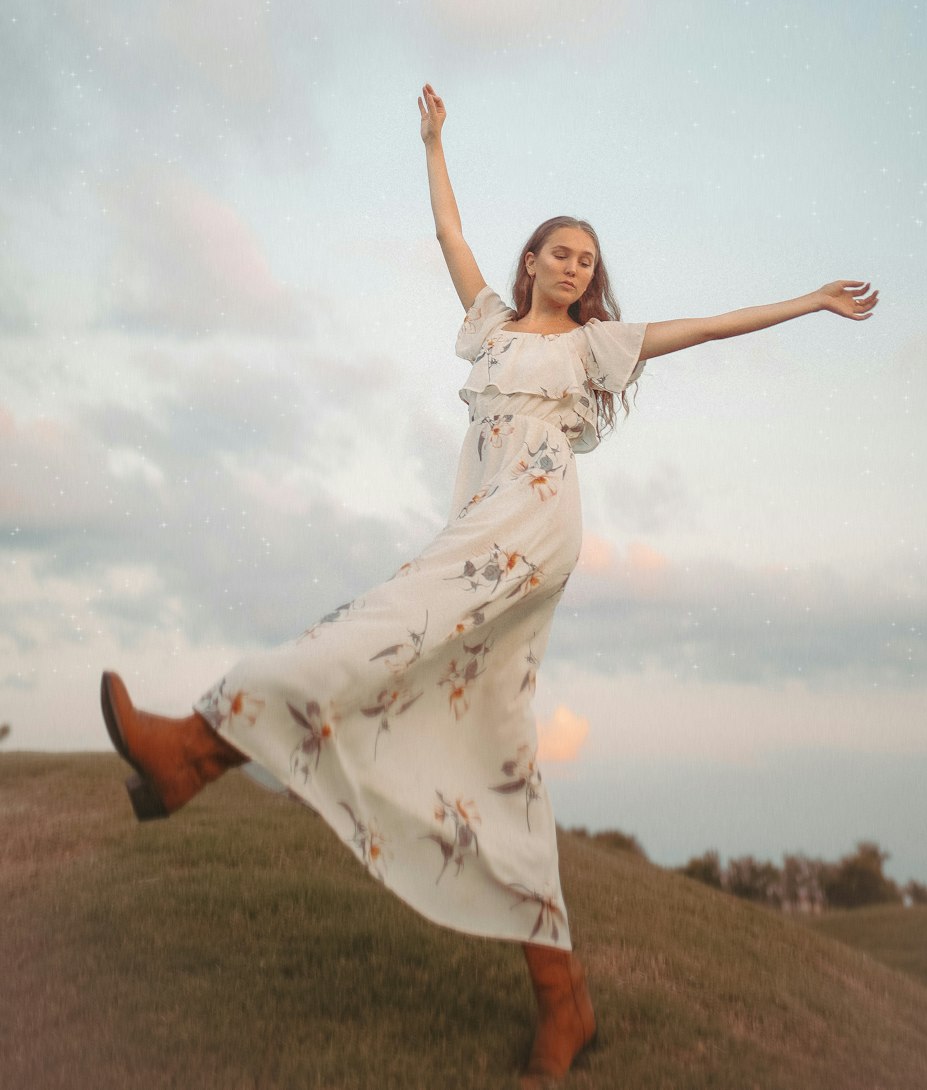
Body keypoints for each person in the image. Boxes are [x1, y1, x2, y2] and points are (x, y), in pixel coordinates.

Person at [100, 82, 878, 1086]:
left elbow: (712, 324)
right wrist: (433, 140)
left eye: (588, 258)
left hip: (532, 524)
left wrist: (810, 298)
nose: (574, 264)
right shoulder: (490, 326)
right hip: (479, 522)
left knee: (370, 626)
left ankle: (197, 751)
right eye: (560, 249)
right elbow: (446, 230)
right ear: (531, 261)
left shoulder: (597, 345)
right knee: (496, 748)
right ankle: (564, 997)